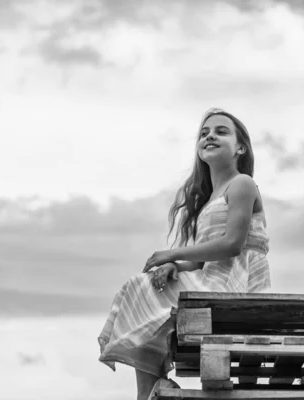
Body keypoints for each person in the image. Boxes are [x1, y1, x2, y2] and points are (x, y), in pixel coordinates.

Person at [97, 108, 271, 400]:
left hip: (236, 286)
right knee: (145, 285)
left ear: (240, 147)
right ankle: (152, 390)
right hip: (213, 281)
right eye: (204, 133)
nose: (210, 136)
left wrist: (171, 253)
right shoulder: (209, 202)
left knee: (140, 290)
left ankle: (150, 391)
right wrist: (176, 265)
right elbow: (202, 261)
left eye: (220, 131)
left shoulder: (242, 184)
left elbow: (232, 245)